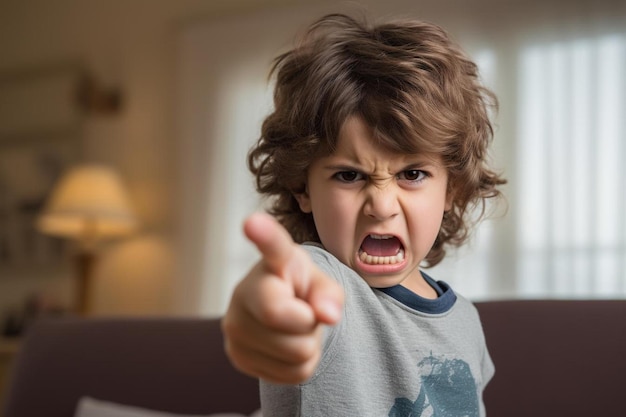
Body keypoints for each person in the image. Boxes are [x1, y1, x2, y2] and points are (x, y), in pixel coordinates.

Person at [222, 12, 506, 417]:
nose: (381, 204)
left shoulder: (465, 320)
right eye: (349, 175)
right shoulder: (327, 287)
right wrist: (269, 309)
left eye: (412, 174)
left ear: (452, 189)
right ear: (303, 188)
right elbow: (292, 287)